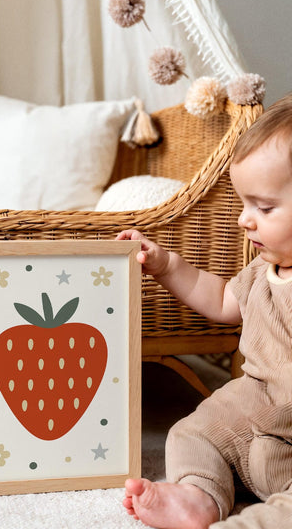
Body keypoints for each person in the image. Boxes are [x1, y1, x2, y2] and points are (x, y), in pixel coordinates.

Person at [117, 93, 292, 529]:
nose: (244, 220)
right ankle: (198, 495)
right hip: (252, 409)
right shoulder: (263, 268)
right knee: (192, 432)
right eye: (244, 204)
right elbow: (221, 300)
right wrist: (166, 266)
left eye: (264, 207)